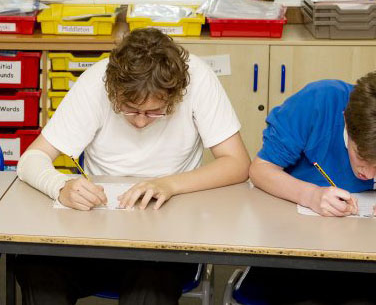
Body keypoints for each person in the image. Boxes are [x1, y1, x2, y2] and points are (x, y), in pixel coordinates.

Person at [15, 28, 250, 305]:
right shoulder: (95, 83)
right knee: (36, 268)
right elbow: (31, 159)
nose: (140, 122)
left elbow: (237, 163)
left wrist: (168, 184)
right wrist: (61, 187)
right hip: (98, 229)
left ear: (174, 95)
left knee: (149, 288)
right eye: (129, 109)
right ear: (114, 92)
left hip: (166, 235)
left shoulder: (199, 80)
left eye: (154, 112)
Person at [238, 70, 376, 305]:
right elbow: (260, 169)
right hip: (293, 245)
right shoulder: (317, 104)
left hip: (374, 252)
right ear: (346, 121)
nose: (368, 174)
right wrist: (309, 195)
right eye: (361, 157)